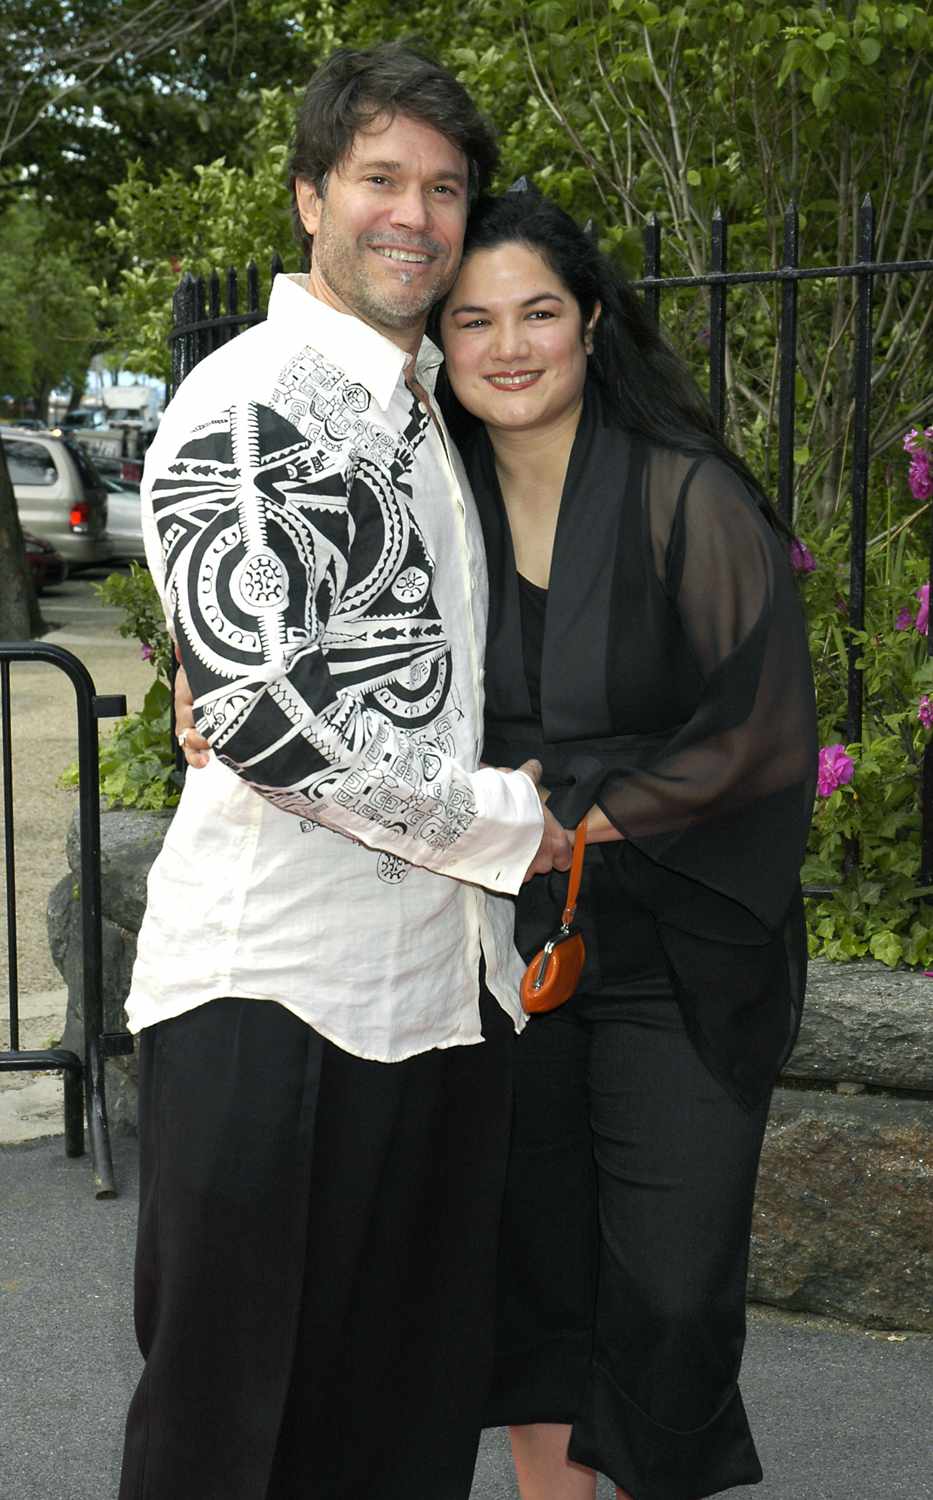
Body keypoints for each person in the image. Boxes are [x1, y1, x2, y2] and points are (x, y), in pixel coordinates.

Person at [118, 46, 573, 1500]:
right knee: (232, 1444)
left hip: (439, 998)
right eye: (381, 178)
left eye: (444, 189)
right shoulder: (251, 402)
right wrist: (517, 820)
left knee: (396, 1439)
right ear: (311, 194)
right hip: (277, 1002)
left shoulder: (427, 403)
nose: (416, 217)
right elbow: (261, 717)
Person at [432, 191, 817, 1500]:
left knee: (666, 1288)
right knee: (534, 1272)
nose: (508, 345)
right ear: (438, 340)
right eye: (472, 318)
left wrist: (584, 818)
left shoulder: (682, 495)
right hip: (501, 944)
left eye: (537, 311)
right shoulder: (431, 508)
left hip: (680, 944)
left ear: (589, 321)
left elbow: (760, 732)